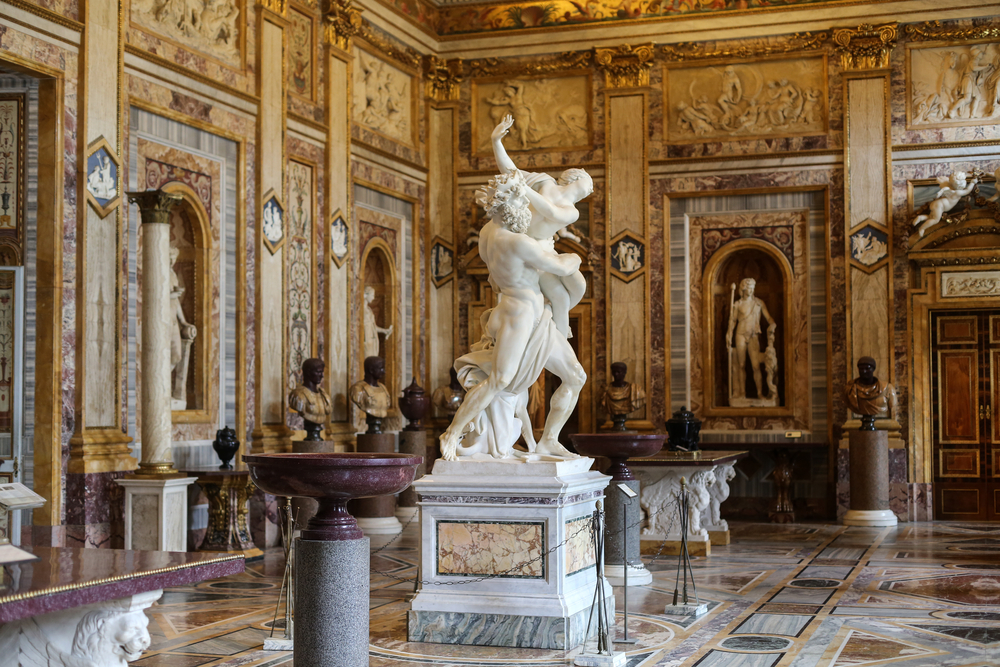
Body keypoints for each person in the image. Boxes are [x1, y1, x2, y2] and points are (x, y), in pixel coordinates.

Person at [438, 168, 585, 461]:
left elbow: (496, 276)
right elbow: (563, 268)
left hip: (534, 315)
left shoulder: (486, 233)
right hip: (518, 315)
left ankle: (549, 440)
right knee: (500, 380)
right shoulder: (518, 242)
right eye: (523, 203)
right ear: (512, 206)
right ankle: (452, 433)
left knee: (575, 376)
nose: (529, 211)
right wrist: (574, 256)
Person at [489, 114, 591, 339]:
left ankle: (552, 322)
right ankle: (558, 340)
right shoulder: (544, 181)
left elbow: (550, 211)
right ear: (575, 177)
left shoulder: (572, 212)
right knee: (561, 297)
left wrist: (524, 190)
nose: (591, 189)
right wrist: (496, 142)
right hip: (526, 248)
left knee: (578, 285)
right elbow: (510, 172)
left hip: (545, 248)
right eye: (588, 181)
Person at [726, 278, 777, 402]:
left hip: (753, 335)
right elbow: (732, 321)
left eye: (753, 288)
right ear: (743, 288)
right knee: (741, 365)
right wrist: (729, 334)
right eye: (749, 288)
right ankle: (742, 393)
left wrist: (773, 324)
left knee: (755, 366)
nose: (751, 290)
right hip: (740, 335)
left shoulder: (759, 303)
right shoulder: (737, 304)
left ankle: (759, 393)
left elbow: (768, 317)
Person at [844, 356, 897, 430]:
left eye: (867, 368)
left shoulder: (887, 388)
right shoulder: (850, 389)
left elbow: (892, 404)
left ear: (873, 369)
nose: (864, 371)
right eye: (861, 369)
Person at [289, 358, 332, 441]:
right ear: (308, 372)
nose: (322, 375)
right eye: (318, 372)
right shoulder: (298, 395)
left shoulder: (324, 395)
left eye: (322, 372)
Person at [349, 356, 392, 434]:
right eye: (381, 368)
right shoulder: (358, 389)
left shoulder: (383, 388)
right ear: (371, 370)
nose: (384, 371)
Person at [602, 361, 645, 432]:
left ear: (624, 372)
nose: (616, 374)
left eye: (618, 372)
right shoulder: (605, 391)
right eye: (614, 372)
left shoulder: (635, 390)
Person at [363, 285, 393, 360]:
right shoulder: (360, 310)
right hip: (365, 340)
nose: (373, 298)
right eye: (372, 295)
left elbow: (374, 327)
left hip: (373, 340)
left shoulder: (369, 310)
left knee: (372, 362)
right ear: (366, 295)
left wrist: (385, 331)